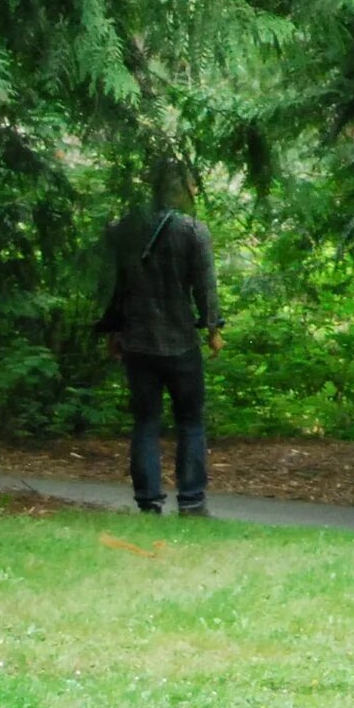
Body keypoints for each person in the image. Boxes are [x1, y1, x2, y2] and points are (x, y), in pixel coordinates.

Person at [97, 157, 224, 516]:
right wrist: (213, 328)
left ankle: (148, 503)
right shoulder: (194, 231)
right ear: (184, 189)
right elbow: (205, 288)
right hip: (181, 343)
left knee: (146, 423)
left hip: (138, 343)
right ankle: (192, 502)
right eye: (193, 184)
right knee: (190, 422)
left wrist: (115, 331)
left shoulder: (126, 230)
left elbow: (117, 286)